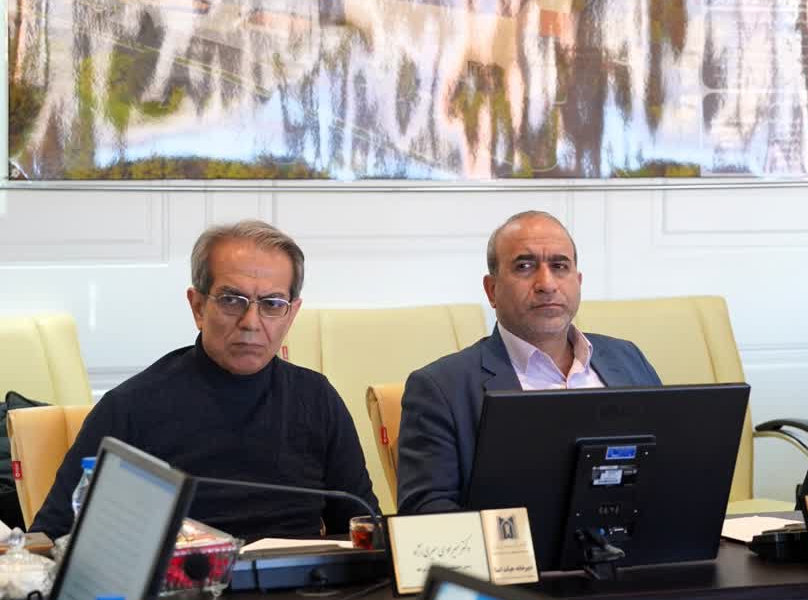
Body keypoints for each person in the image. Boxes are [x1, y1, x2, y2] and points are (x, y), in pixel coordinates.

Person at [32, 220, 376, 541]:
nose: (251, 322)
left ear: (291, 314)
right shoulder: (131, 407)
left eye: (272, 304)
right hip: (181, 583)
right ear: (198, 306)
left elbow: (362, 527)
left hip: (303, 581)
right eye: (232, 300)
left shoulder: (316, 399)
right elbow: (51, 538)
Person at [397, 210, 661, 514]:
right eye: (525, 266)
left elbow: (669, 468)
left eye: (560, 266)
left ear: (578, 281)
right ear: (492, 290)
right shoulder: (440, 388)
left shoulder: (628, 358)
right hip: (514, 545)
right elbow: (426, 513)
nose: (547, 284)